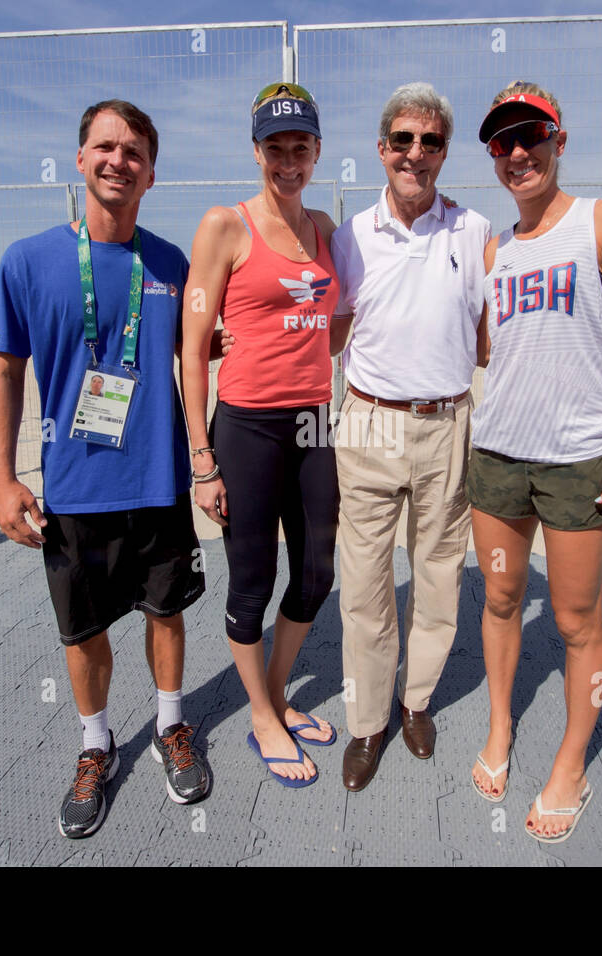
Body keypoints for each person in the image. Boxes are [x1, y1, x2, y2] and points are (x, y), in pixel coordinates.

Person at [0, 100, 220, 838]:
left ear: (152, 172)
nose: (119, 160)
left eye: (135, 152)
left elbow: (200, 359)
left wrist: (206, 457)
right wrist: (1, 479)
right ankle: (96, 745)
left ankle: (171, 727)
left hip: (157, 483)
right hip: (74, 491)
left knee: (166, 612)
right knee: (82, 631)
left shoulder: (173, 264)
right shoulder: (27, 260)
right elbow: (3, 373)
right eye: (105, 147)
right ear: (80, 159)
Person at [467, 82, 602, 844]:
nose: (517, 152)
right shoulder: (498, 248)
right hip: (497, 458)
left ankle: (572, 763)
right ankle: (499, 729)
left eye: (531, 135)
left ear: (558, 138)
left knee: (576, 618)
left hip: (580, 462)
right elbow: (494, 349)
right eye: (501, 142)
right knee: (498, 599)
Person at [328, 82, 491, 791]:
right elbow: (326, 330)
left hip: (448, 424)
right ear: (382, 148)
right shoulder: (349, 236)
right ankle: (368, 722)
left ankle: (416, 701)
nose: (415, 154)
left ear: (445, 152)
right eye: (403, 140)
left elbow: (487, 341)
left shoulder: (476, 231)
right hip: (367, 423)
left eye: (429, 142)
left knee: (438, 575)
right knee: (364, 585)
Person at [181, 82, 340, 788]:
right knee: (252, 581)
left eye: (299, 147)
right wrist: (202, 460)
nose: (288, 160)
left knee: (315, 573)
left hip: (313, 420)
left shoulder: (328, 229)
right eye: (275, 147)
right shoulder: (226, 225)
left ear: (316, 152)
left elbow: (339, 322)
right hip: (245, 426)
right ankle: (261, 715)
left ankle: (274, 693)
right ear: (256, 152)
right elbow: (190, 350)